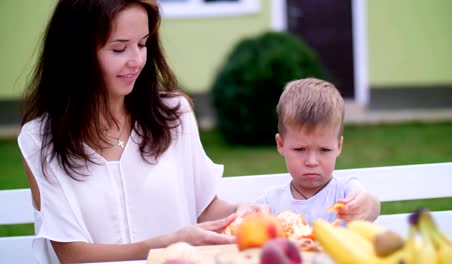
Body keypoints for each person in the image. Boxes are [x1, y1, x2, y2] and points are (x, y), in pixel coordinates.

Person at [18, 0, 266, 263]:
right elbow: (71, 253)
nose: (136, 61)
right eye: (119, 48)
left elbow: (205, 208)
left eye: (142, 44)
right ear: (76, 53)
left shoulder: (175, 115)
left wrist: (241, 212)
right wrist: (165, 243)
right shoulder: (39, 140)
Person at [256, 77, 380, 224]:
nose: (311, 162)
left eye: (324, 150)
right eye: (300, 149)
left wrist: (368, 205)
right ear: (281, 144)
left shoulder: (345, 190)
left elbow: (370, 205)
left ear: (338, 146)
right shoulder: (270, 201)